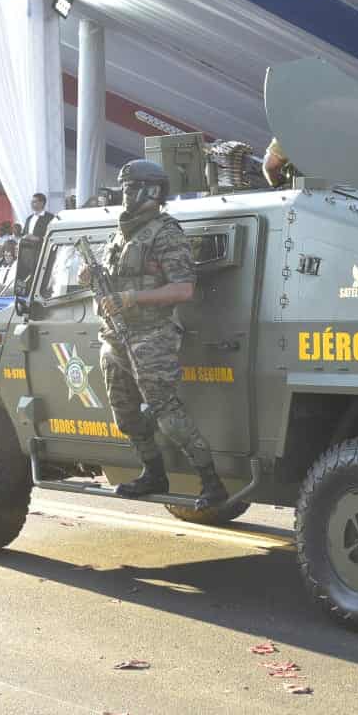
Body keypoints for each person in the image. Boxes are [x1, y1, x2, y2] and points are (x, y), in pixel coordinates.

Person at [96, 159, 226, 510]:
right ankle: (153, 472)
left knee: (167, 411)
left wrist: (131, 298)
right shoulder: (121, 233)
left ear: (149, 192)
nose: (124, 196)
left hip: (151, 335)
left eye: (129, 189)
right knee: (125, 415)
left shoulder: (166, 233)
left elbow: (183, 289)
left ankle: (211, 482)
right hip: (114, 337)